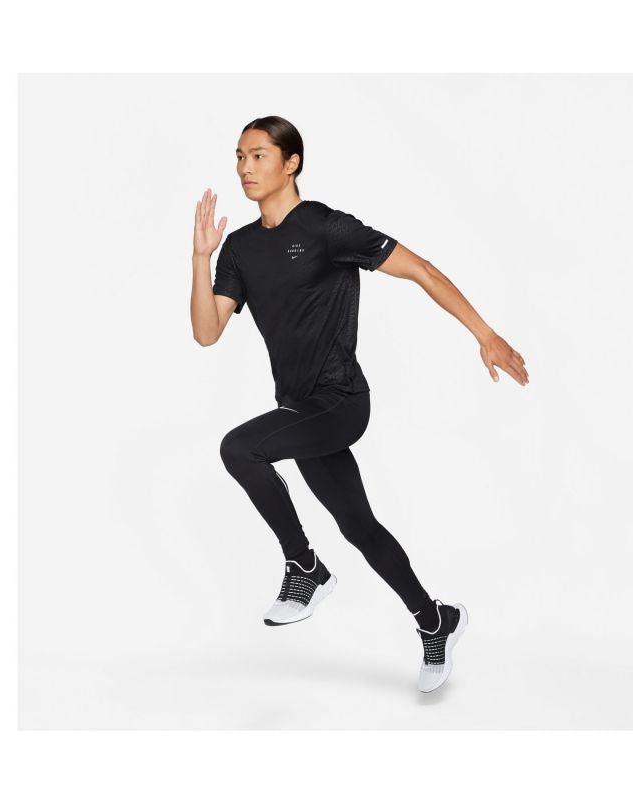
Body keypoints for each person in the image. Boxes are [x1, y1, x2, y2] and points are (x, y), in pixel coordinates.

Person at [190, 116, 529, 693]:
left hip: (341, 402)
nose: (245, 167)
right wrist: (202, 257)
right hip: (298, 412)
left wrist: (485, 334)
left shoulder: (327, 227)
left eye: (258, 155)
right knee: (360, 527)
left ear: (291, 163)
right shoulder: (241, 248)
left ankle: (305, 568)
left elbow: (420, 269)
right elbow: (206, 332)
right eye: (239, 157)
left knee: (240, 449)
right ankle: (436, 620)